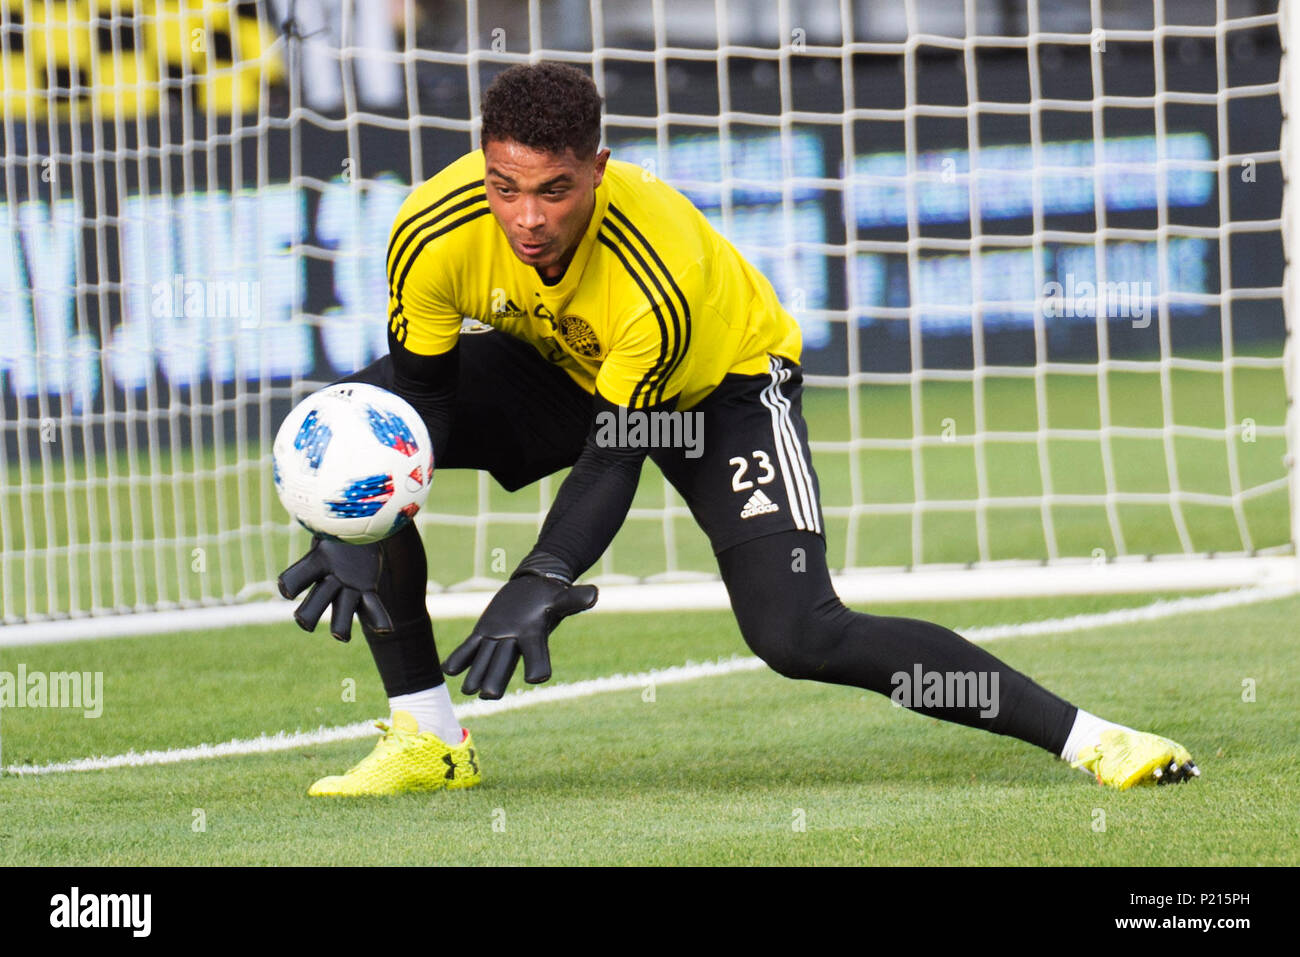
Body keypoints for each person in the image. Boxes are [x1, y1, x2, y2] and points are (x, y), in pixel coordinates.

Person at [278, 62, 1198, 797]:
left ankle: (1095, 739)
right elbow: (419, 410)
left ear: (597, 169)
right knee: (350, 436)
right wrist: (362, 519)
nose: (527, 218)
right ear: (483, 165)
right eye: (506, 187)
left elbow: (619, 452)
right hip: (555, 366)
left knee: (800, 632)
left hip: (719, 390)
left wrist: (543, 576)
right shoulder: (429, 232)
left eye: (555, 191)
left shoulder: (656, 273)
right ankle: (428, 736)